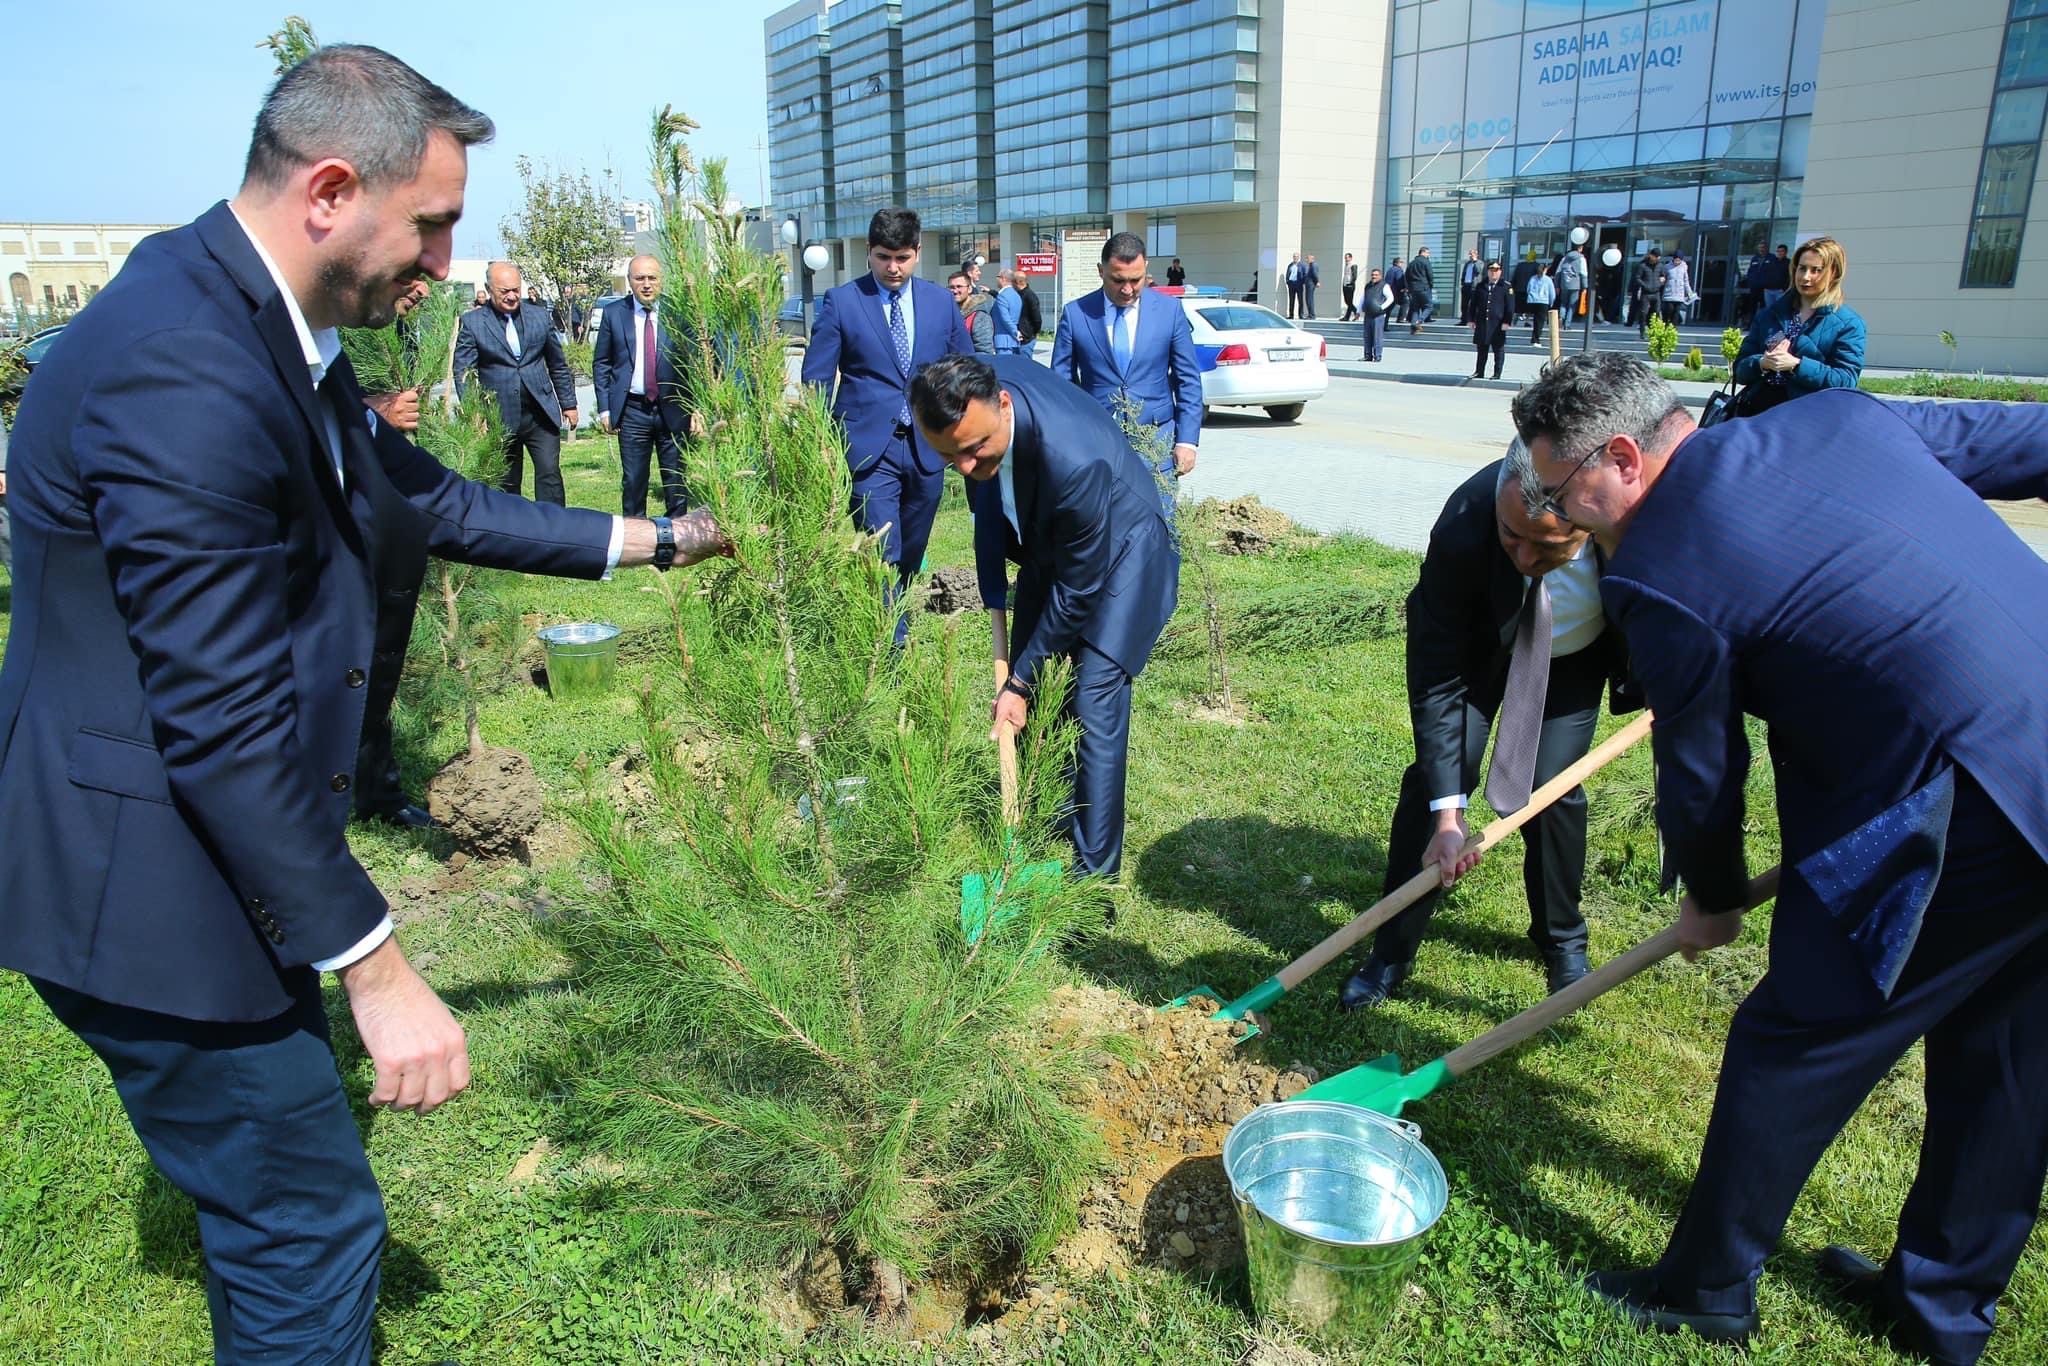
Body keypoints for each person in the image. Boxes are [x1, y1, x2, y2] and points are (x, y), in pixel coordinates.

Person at [0, 45, 730, 1363]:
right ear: (332, 189)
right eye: (434, 222)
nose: (447, 264)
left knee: (276, 1208)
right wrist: (379, 966)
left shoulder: (261, 320)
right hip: (145, 893)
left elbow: (428, 497)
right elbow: (216, 723)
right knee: (313, 1230)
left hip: (202, 867)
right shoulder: (187, 368)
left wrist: (658, 540)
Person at [1517, 352, 2048, 1365]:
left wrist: (1709, 899)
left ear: (1621, 458)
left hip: (1959, 799)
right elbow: (2023, 443)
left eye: (1558, 490)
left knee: (1794, 1037)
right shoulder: (1833, 418)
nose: (1558, 514)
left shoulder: (1657, 564)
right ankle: (1940, 1306)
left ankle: (1704, 1289)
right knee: (2003, 1051)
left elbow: (1704, 772)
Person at [1339, 440, 1640, 1011]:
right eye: (1511, 538)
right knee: (1436, 781)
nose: (1524, 558)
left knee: (1553, 787)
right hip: (1480, 650)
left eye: (1546, 545)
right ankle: (1392, 950)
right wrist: (1449, 816)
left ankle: (1562, 939)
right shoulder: (1465, 521)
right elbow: (1436, 672)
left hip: (1576, 654)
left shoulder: (1630, 523)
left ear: (1587, 520)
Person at [917, 354, 1178, 879]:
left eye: (973, 450)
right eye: (951, 457)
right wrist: (993, 590)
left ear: (1005, 406)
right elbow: (986, 502)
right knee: (1036, 680)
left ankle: (1092, 885)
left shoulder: (1073, 458)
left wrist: (1014, 681)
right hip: (1049, 540)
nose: (965, 466)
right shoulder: (972, 400)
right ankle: (1057, 807)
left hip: (1125, 552)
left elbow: (1079, 589)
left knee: (1092, 700)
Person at [801, 206, 974, 645]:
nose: (892, 268)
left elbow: (967, 370)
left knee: (910, 553)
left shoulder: (940, 303)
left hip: (927, 448)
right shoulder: (843, 301)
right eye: (883, 257)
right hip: (866, 449)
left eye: (902, 257)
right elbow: (817, 378)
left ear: (917, 252)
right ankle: (889, 648)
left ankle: (894, 614)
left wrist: (963, 433)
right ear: (868, 253)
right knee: (882, 549)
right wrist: (819, 440)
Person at [354, 277, 435, 832]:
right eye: (414, 270)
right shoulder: (338, 321)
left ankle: (377, 787)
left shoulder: (403, 323)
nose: (428, 286)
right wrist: (369, 413)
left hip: (397, 507)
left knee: (382, 648)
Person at [1048, 231, 1202, 504]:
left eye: (1136, 280)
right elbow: (1061, 386)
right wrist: (1066, 440)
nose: (1127, 289)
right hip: (1096, 444)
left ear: (1146, 270)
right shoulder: (1076, 314)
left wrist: (1187, 441)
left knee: (1161, 527)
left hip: (1156, 442)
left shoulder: (1170, 311)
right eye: (1118, 280)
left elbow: (1187, 379)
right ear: (1101, 271)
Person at [454, 260, 578, 506]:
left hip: (540, 414)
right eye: (504, 291)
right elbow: (464, 372)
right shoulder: (473, 323)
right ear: (489, 290)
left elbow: (557, 363)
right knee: (508, 482)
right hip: (500, 416)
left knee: (549, 474)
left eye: (516, 290)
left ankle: (556, 531)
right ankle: (515, 534)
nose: (511, 296)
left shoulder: (539, 316)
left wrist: (569, 403)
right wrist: (476, 412)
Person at [593, 253, 694, 519]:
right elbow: (602, 363)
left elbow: (694, 363)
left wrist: (698, 408)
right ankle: (636, 536)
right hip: (633, 411)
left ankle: (677, 535)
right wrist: (605, 410)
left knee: (675, 479)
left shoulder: (679, 312)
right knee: (634, 479)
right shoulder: (614, 313)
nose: (646, 284)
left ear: (661, 280)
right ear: (630, 281)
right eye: (640, 278)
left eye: (652, 278)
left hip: (673, 408)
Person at [1731, 236, 1867, 413]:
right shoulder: (1770, 314)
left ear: (1834, 273)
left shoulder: (1848, 324)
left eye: (1816, 270)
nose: (1805, 277)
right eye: (1801, 269)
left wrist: (1796, 365)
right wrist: (1762, 363)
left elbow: (1846, 380)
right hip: (1758, 414)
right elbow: (1740, 370)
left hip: (1808, 418)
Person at [1464, 259, 1513, 379]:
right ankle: (1479, 371)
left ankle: (1497, 373)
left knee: (1498, 350)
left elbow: (1510, 307)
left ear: (1500, 272)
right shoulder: (1481, 286)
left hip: (1498, 324)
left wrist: (1507, 322)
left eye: (1496, 270)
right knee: (1482, 349)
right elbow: (1473, 304)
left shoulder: (1506, 287)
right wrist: (1470, 319)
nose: (1493, 273)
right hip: (1482, 322)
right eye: (1491, 270)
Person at [952, 269, 998, 354]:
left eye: (959, 287)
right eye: (951, 287)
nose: (955, 291)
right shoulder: (949, 314)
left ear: (969, 289)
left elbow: (984, 352)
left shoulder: (980, 317)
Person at [1358, 267, 1393, 362]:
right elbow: (1363, 298)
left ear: (1380, 276)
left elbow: (1390, 298)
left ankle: (1377, 356)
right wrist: (1358, 310)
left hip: (1378, 315)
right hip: (1368, 314)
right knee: (1367, 336)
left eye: (1376, 275)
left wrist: (1381, 307)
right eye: (1373, 275)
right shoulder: (1368, 286)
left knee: (1377, 336)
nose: (1374, 276)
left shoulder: (1384, 286)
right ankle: (1367, 355)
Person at [1629, 249, 1667, 336]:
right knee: (1643, 313)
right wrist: (1645, 285)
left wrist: (1661, 282)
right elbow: (1637, 278)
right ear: (1651, 255)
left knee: (1657, 312)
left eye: (1658, 257)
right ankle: (1642, 332)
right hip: (1646, 293)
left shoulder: (1660, 266)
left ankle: (1655, 331)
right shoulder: (1643, 266)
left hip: (1656, 292)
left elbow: (1663, 276)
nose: (1657, 259)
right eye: (1655, 257)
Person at [1012, 268, 1043, 361]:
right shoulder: (1017, 294)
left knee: (1025, 366)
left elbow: (1037, 319)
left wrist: (1031, 334)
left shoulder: (1030, 296)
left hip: (1026, 340)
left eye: (1012, 281)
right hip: (1019, 339)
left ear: (1017, 282)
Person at [1740, 240, 1773, 327]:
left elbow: (1773, 272)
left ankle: (1762, 326)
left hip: (1765, 288)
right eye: (1760, 248)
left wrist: (1768, 283)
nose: (1761, 249)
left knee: (1764, 308)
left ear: (1767, 248)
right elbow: (1750, 272)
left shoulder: (1771, 258)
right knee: (1752, 307)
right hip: (1754, 288)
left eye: (1763, 247)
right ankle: (1749, 325)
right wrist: (1751, 282)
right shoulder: (1754, 258)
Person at [992, 267, 1023, 354]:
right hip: (1013, 342)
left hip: (1003, 340)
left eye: (998, 277)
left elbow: (1005, 318)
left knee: (1003, 366)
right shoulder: (1016, 295)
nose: (996, 280)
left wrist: (1015, 332)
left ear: (1003, 279)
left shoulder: (1002, 296)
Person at [1526, 262, 1556, 347]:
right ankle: (1535, 339)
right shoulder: (1548, 280)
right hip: (1543, 301)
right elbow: (1552, 293)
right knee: (1539, 322)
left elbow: (1528, 289)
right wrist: (1551, 303)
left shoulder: (1532, 278)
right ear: (1545, 269)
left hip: (1532, 301)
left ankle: (1534, 337)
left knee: (1536, 320)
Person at [1555, 241, 1586, 327]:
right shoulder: (1581, 258)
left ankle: (1561, 317)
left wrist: (1557, 285)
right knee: (1572, 305)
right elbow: (1584, 273)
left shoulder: (1564, 258)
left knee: (1563, 303)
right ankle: (1567, 324)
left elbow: (1558, 272)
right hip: (1575, 284)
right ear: (1580, 248)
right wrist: (1584, 286)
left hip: (1564, 283)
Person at [1406, 246, 1436, 331]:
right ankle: (1420, 320)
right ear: (1423, 252)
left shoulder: (1411, 263)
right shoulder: (1426, 262)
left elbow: (1407, 276)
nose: (1428, 255)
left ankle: (1413, 325)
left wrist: (1409, 287)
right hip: (1424, 287)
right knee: (1429, 306)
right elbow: (1430, 275)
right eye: (1428, 253)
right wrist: (1431, 285)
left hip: (1413, 289)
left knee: (1415, 308)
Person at [1662, 251, 1693, 326]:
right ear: (1673, 259)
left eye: (1679, 260)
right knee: (1669, 310)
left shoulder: (1684, 267)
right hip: (1669, 294)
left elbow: (1686, 281)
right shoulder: (1667, 267)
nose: (1677, 262)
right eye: (1676, 260)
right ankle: (1666, 325)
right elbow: (1663, 279)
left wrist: (1689, 292)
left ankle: (1673, 329)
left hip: (1679, 294)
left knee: (1676, 313)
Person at [1764, 243, 1792, 313]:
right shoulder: (1772, 261)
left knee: (1780, 310)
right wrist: (1765, 286)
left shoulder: (1789, 263)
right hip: (1768, 291)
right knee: (1769, 311)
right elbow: (1766, 273)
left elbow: (1791, 277)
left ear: (1786, 252)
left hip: (1780, 291)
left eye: (1781, 251)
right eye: (1778, 251)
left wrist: (1784, 289)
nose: (1779, 253)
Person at [1460, 247, 1483, 318]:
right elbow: (1464, 273)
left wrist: (1475, 261)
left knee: (1474, 304)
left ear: (1476, 255)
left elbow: (1479, 271)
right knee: (1464, 304)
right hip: (1466, 285)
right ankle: (1463, 320)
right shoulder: (1467, 264)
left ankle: (1474, 319)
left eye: (1471, 254)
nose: (1470, 256)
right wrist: (1462, 283)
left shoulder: (1480, 263)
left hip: (1474, 286)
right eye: (1469, 254)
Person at [1387, 257, 1408, 324]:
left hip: (1389, 291)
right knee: (1405, 302)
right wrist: (1403, 288)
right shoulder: (1398, 270)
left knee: (1388, 308)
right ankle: (1400, 318)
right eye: (1401, 262)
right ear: (1396, 263)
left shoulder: (1390, 270)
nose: (1402, 264)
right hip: (1396, 291)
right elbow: (1399, 280)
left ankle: (1384, 324)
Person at [1284, 252, 1305, 319]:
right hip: (1291, 284)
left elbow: (1304, 274)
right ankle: (1291, 315)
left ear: (1298, 257)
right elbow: (1287, 274)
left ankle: (1301, 315)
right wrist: (1288, 282)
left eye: (1296, 256)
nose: (1295, 257)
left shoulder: (1302, 265)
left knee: (1300, 300)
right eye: (1294, 256)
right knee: (1291, 300)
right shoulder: (1290, 265)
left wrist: (1302, 282)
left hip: (1299, 284)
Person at [1340, 252, 1359, 322]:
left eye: (1347, 257)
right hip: (1345, 284)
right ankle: (1356, 311)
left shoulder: (1353, 265)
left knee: (1349, 301)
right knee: (1347, 301)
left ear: (1350, 258)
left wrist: (1351, 283)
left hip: (1350, 285)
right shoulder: (1346, 265)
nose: (1346, 259)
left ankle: (1347, 317)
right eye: (1345, 258)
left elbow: (1354, 276)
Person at [1302, 254, 1321, 319]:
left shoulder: (1313, 265)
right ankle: (1310, 314)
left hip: (1311, 284)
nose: (1306, 260)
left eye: (1307, 258)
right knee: (1308, 299)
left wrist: (1317, 282)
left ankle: (1312, 315)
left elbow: (1315, 274)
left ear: (1312, 259)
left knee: (1309, 299)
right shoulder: (1311, 265)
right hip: (1309, 284)